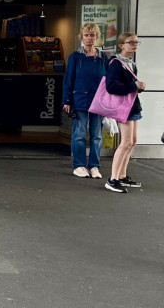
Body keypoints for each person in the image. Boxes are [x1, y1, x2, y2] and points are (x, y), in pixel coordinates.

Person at [62, 23, 108, 179]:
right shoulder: (75, 57)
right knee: (79, 134)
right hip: (80, 99)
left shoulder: (102, 57)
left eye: (92, 35)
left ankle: (94, 166)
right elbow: (68, 79)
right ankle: (79, 165)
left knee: (97, 135)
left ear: (97, 37)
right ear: (81, 37)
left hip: (98, 101)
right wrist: (67, 100)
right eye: (86, 35)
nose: (89, 38)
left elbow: (108, 80)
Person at [102, 32, 145, 193]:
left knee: (132, 141)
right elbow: (111, 87)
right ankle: (112, 179)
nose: (135, 45)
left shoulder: (130, 63)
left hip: (132, 105)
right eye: (131, 42)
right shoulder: (116, 63)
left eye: (136, 42)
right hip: (124, 107)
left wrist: (137, 87)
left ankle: (122, 175)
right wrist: (135, 86)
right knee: (126, 142)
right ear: (121, 45)